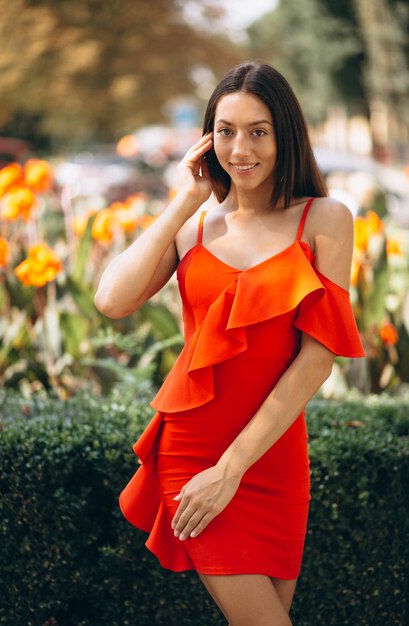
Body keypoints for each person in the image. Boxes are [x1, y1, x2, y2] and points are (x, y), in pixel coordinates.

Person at [94, 61, 366, 626]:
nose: (240, 148)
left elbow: (316, 362)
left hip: (272, 459)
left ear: (284, 134)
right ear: (206, 138)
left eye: (258, 131)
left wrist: (235, 468)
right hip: (194, 455)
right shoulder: (195, 229)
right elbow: (112, 300)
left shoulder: (325, 220)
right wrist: (184, 200)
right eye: (225, 131)